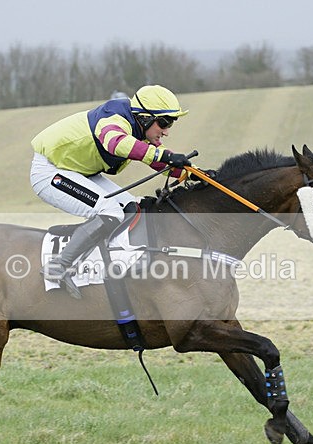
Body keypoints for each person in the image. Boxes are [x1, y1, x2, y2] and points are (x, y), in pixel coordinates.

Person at [30, 85, 194, 299]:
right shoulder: (113, 116)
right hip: (51, 170)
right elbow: (116, 143)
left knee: (131, 207)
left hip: (80, 170)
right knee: (111, 212)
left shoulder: (139, 126)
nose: (166, 130)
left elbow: (156, 161)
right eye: (163, 122)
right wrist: (164, 156)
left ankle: (105, 262)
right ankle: (59, 266)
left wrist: (193, 174)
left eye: (170, 123)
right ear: (144, 118)